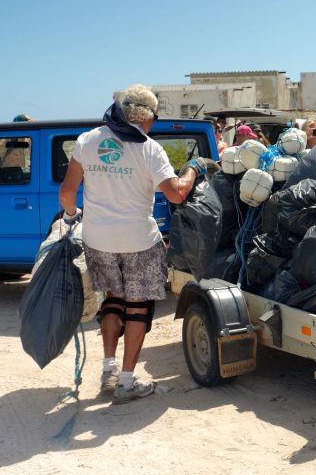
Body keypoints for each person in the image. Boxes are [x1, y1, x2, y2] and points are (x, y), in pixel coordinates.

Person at [58, 84, 218, 404]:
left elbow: (66, 193)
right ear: (145, 118)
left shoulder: (87, 141)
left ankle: (109, 370)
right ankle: (127, 382)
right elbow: (176, 194)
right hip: (139, 242)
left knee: (113, 301)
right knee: (139, 308)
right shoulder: (148, 149)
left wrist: (73, 214)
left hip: (98, 240)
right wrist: (193, 168)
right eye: (154, 119)